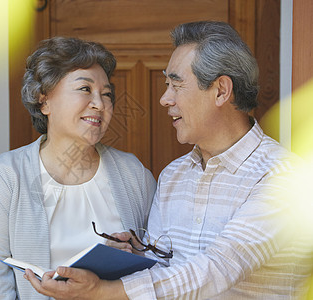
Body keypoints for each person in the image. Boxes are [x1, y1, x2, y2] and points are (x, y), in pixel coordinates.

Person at [25, 21, 313, 299]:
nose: (165, 99)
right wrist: (138, 254)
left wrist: (102, 292)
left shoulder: (285, 177)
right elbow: (166, 270)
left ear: (221, 91)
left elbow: (218, 269)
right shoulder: (174, 176)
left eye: (176, 85)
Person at [0, 36, 156, 300]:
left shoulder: (133, 173)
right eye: (85, 89)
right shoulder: (8, 175)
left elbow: (160, 260)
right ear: (43, 100)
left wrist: (134, 254)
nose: (99, 104)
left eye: (107, 94)